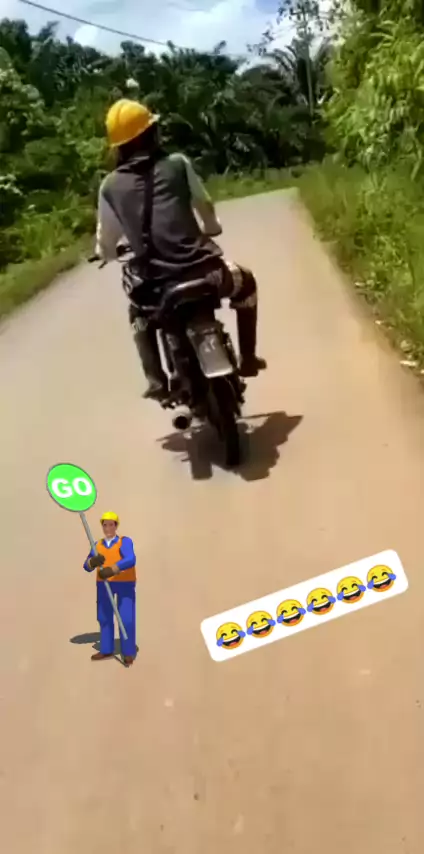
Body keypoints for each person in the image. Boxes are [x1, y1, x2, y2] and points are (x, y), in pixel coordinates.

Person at [95, 98, 267, 400]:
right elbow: (204, 203)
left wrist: (106, 253)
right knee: (247, 283)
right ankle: (248, 358)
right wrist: (211, 227)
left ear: (118, 147)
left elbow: (106, 240)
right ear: (153, 132)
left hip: (157, 290)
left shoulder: (109, 186)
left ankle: (156, 381)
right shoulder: (177, 164)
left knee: (138, 313)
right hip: (207, 274)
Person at [84, 511, 137, 667]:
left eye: (111, 525)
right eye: (105, 525)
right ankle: (106, 649)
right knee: (104, 617)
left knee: (126, 618)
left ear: (116, 526)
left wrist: (113, 569)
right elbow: (86, 566)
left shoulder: (124, 541)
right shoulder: (97, 545)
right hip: (104, 584)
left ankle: (128, 652)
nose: (108, 528)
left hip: (124, 582)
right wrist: (92, 562)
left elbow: (130, 559)